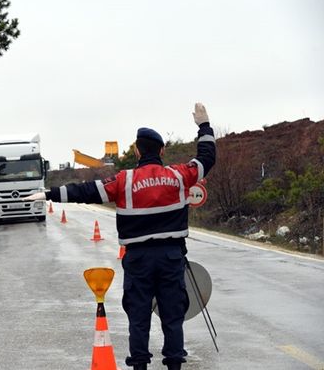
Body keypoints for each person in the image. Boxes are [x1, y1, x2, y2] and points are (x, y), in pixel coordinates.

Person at [25, 103, 216, 370]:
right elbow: (207, 157)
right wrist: (204, 125)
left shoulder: (123, 181)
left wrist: (48, 194)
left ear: (137, 151)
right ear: (161, 151)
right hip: (171, 257)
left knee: (138, 317)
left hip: (137, 260)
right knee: (172, 316)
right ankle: (174, 364)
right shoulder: (179, 175)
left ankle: (139, 365)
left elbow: (85, 191)